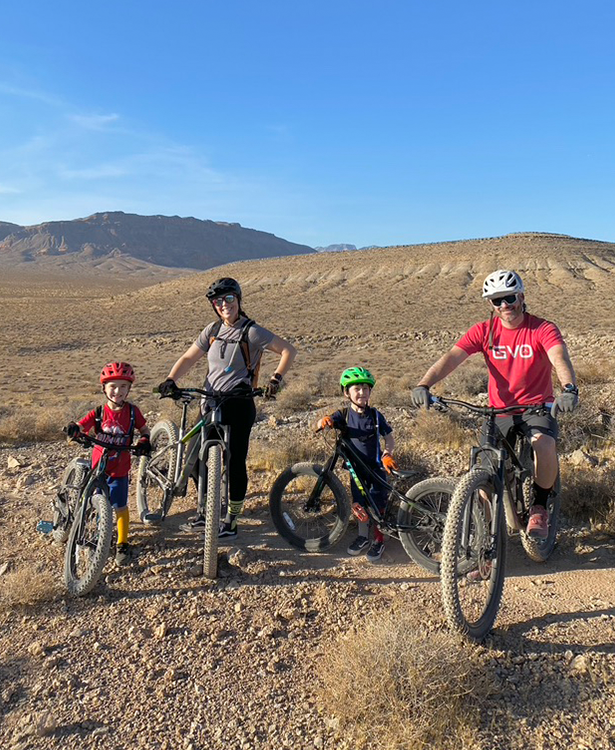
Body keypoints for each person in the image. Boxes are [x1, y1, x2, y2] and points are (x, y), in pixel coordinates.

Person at [411, 269, 578, 539]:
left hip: (536, 407)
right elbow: (451, 358)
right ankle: (484, 546)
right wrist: (424, 384)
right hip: (498, 410)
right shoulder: (484, 331)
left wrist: (569, 389)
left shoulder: (541, 328)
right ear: (490, 304)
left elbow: (559, 357)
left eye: (509, 298)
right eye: (496, 301)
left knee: (543, 444)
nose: (504, 306)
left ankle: (539, 505)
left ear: (521, 297)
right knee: (483, 473)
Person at [157, 277, 296, 538]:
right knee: (197, 459)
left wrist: (275, 379)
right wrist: (171, 379)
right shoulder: (212, 331)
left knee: (235, 463)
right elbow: (189, 357)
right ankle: (203, 513)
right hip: (209, 401)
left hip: (239, 403)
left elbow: (288, 350)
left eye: (229, 299)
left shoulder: (251, 331)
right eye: (218, 301)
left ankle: (231, 520)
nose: (224, 305)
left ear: (238, 300)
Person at [66, 362, 151, 565]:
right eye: (112, 386)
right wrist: (75, 429)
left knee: (120, 506)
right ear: (104, 388)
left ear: (129, 388)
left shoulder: (132, 412)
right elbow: (81, 425)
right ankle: (97, 533)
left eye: (123, 386)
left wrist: (144, 441)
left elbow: (144, 429)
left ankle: (122, 543)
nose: (117, 391)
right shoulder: (98, 412)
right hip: (98, 468)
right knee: (94, 501)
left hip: (120, 469)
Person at [317, 367, 398, 562]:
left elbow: (389, 437)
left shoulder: (376, 415)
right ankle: (363, 537)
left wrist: (387, 454)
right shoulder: (343, 415)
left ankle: (379, 540)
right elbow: (320, 424)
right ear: (347, 393)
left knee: (378, 505)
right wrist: (323, 421)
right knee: (359, 505)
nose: (362, 393)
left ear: (370, 391)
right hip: (356, 470)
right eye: (357, 389)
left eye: (365, 388)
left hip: (377, 468)